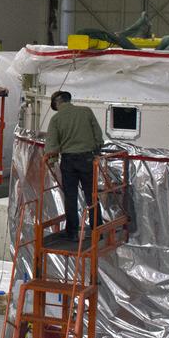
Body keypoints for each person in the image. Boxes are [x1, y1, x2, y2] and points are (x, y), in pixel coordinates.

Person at [43, 90, 104, 241]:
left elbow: (51, 144)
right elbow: (97, 134)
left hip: (68, 161)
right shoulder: (86, 112)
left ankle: (73, 233)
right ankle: (98, 231)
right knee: (92, 195)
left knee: (70, 197)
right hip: (87, 159)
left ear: (57, 103)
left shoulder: (56, 119)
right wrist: (97, 150)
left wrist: (52, 162)